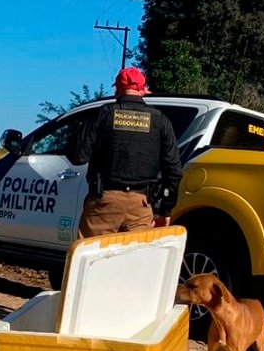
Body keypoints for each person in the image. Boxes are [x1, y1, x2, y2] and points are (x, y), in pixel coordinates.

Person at [69, 66, 183, 237]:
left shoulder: (104, 114)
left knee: (92, 261)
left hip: (104, 203)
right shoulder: (160, 120)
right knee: (134, 262)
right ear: (144, 90)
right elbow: (174, 171)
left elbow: (78, 156)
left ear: (118, 89)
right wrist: (165, 209)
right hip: (142, 206)